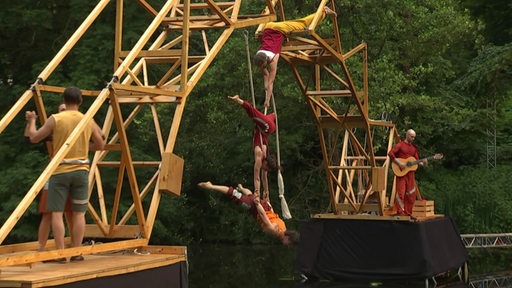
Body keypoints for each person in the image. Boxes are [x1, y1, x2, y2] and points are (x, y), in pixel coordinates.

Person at [25, 86, 105, 262]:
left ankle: (61, 254)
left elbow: (34, 137)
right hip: (81, 171)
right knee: (79, 213)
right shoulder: (87, 119)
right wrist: (85, 147)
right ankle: (76, 252)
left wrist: (31, 121)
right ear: (80, 101)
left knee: (56, 213)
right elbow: (100, 144)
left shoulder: (56, 119)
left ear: (64, 100)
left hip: (60, 170)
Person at [254, 6, 337, 108]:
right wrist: (265, 88)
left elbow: (270, 81)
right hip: (268, 27)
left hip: (281, 29)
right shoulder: (259, 56)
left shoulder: (273, 59)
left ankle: (324, 11)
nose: (262, 67)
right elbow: (265, 75)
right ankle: (268, 8)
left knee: (303, 23)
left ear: (266, 61)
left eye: (263, 66)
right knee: (292, 22)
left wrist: (267, 100)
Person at [31, 104, 74, 256]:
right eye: (61, 109)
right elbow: (31, 136)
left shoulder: (75, 126)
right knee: (48, 212)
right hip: (55, 172)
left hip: (70, 173)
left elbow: (33, 136)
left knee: (71, 212)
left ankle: (74, 248)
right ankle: (42, 248)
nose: (64, 111)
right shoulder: (57, 125)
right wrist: (31, 121)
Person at [197, 181, 299, 245]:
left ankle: (241, 188)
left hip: (265, 208)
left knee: (249, 195)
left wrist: (267, 202)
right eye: (289, 243)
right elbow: (264, 216)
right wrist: (258, 203)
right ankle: (211, 186)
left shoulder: (284, 227)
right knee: (234, 195)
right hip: (259, 209)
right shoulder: (275, 231)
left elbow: (272, 213)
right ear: (287, 238)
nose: (287, 245)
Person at [228, 95, 278, 201]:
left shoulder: (266, 159)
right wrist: (257, 193)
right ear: (266, 163)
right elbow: (257, 178)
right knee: (252, 113)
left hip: (268, 126)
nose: (264, 170)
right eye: (266, 168)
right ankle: (239, 100)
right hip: (267, 127)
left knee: (264, 116)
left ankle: (273, 114)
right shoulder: (260, 156)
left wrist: (267, 192)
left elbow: (264, 178)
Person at [388, 129, 426, 216]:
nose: (413, 139)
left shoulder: (414, 149)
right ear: (407, 135)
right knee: (401, 193)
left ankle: (408, 212)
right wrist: (399, 163)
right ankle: (400, 212)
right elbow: (390, 153)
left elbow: (417, 161)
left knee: (411, 194)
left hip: (410, 174)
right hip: (401, 173)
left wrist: (423, 163)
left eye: (414, 137)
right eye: (412, 137)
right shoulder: (400, 145)